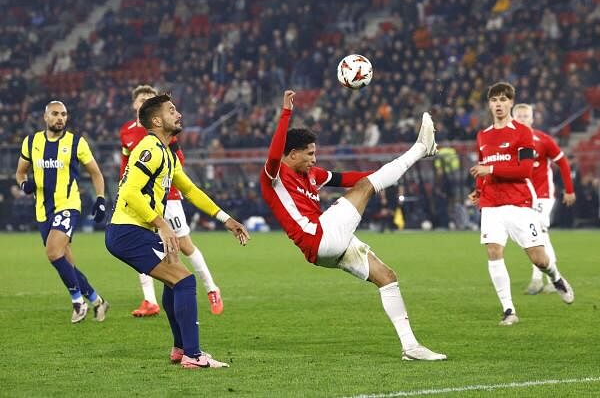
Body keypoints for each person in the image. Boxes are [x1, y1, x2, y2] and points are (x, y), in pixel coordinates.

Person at [260, 90, 446, 361]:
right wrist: (286, 112)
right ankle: (420, 148)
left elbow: (351, 178)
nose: (314, 159)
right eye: (309, 154)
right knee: (369, 186)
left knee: (386, 276)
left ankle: (411, 347)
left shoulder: (312, 174)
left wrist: (386, 173)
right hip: (319, 237)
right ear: (291, 154)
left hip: (329, 244)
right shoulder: (274, 175)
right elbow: (275, 152)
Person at [106, 94, 250, 369]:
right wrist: (161, 224)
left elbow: (191, 191)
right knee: (184, 280)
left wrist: (226, 219)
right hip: (128, 231)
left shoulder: (167, 154)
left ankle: (180, 349)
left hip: (134, 230)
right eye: (172, 110)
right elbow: (129, 191)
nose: (179, 114)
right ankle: (193, 355)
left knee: (176, 278)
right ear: (157, 120)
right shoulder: (150, 147)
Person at [468, 82, 574, 326]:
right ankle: (509, 310)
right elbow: (483, 171)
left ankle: (555, 277)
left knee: (538, 258)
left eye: (503, 100)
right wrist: (478, 191)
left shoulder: (523, 133)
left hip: (519, 202)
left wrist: (491, 168)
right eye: (494, 100)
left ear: (511, 103)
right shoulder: (482, 135)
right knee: (493, 252)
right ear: (489, 104)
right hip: (492, 203)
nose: (498, 104)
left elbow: (524, 170)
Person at [120, 85, 224, 317]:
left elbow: (177, 165)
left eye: (149, 99)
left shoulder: (164, 131)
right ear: (135, 105)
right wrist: (123, 187)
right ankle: (150, 300)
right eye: (141, 100)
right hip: (139, 198)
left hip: (169, 196)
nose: (144, 102)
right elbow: (125, 165)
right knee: (145, 244)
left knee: (183, 245)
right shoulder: (126, 131)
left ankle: (211, 288)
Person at [15, 101, 110, 323]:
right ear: (45, 116)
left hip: (68, 205)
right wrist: (23, 185)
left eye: (64, 114)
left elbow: (96, 173)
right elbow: (20, 173)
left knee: (52, 252)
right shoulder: (31, 142)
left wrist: (100, 199)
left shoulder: (77, 143)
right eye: (55, 114)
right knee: (65, 261)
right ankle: (97, 301)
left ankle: (78, 302)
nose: (60, 118)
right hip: (42, 211)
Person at [512, 103, 576, 295]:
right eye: (520, 116)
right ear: (513, 119)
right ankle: (551, 278)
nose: (523, 119)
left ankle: (539, 279)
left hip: (542, 195)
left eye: (526, 116)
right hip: (522, 196)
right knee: (532, 235)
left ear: (533, 119)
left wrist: (569, 190)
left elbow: (563, 163)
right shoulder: (509, 142)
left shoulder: (543, 140)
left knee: (538, 232)